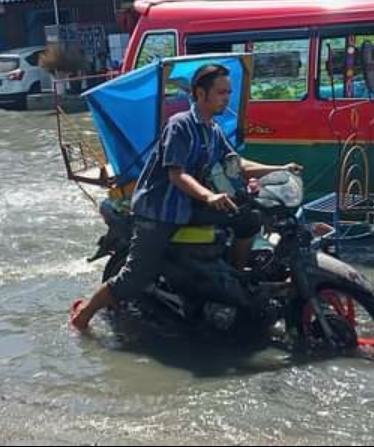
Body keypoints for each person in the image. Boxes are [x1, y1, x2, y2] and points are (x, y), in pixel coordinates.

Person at [69, 64, 303, 332]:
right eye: (221, 92)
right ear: (201, 94)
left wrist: (280, 168)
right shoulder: (180, 125)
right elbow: (176, 175)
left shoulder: (212, 130)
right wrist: (209, 195)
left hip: (190, 205)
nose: (226, 98)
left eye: (229, 92)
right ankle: (84, 316)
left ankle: (237, 278)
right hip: (159, 210)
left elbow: (238, 164)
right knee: (133, 279)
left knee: (248, 219)